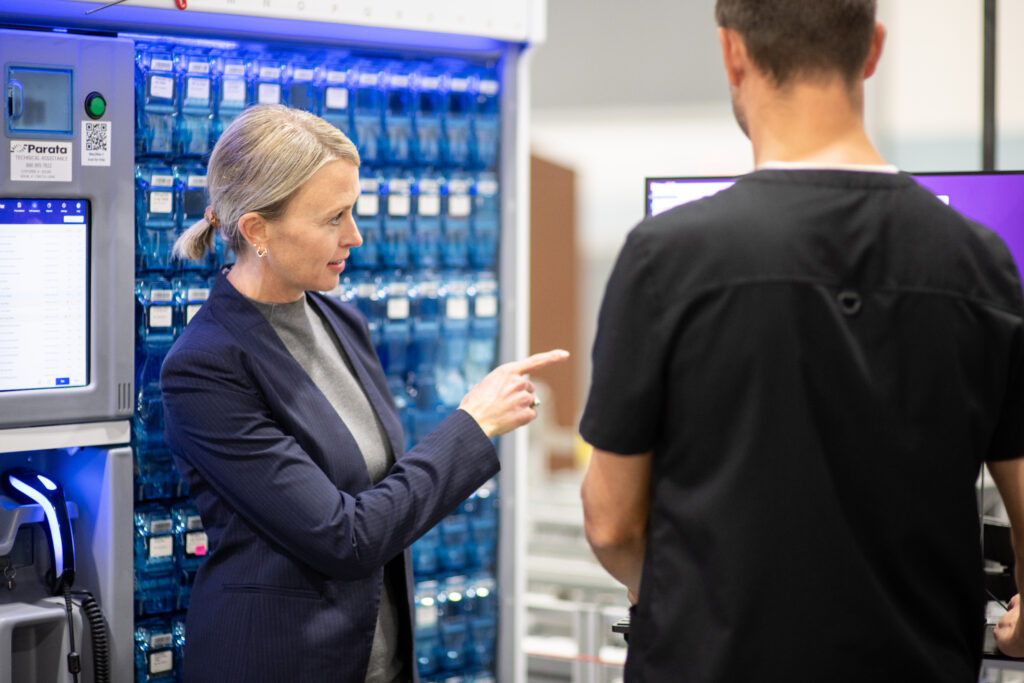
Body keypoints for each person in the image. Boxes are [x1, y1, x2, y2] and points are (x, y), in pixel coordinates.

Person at [579, 1, 1024, 680]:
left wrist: (690, 596)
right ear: (873, 50)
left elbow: (611, 521)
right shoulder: (980, 262)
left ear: (732, 52)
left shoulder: (664, 259)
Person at [161, 104, 567, 683]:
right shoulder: (206, 367)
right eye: (334, 218)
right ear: (257, 231)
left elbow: (380, 492)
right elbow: (344, 537)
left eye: (353, 211)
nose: (354, 235)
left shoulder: (340, 321)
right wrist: (471, 426)